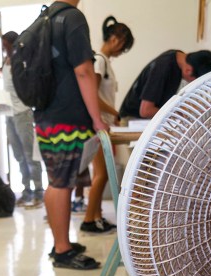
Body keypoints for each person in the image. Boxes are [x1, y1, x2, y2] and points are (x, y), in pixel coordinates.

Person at [34, 0, 106, 270]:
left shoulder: (45, 18)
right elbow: (84, 71)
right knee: (62, 183)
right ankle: (63, 250)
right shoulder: (72, 18)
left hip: (45, 116)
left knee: (55, 181)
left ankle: (59, 243)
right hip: (68, 118)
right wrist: (97, 118)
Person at [80, 16, 134, 235]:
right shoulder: (99, 60)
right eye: (123, 46)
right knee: (101, 174)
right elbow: (92, 94)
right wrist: (114, 112)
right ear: (115, 39)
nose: (122, 51)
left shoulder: (104, 62)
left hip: (104, 125)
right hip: (97, 125)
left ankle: (97, 216)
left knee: (101, 174)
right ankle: (89, 220)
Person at [0, 31, 44, 208]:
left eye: (6, 45)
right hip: (9, 114)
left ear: (14, 44)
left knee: (30, 155)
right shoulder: (6, 61)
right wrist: (0, 69)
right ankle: (27, 192)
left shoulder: (22, 61)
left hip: (23, 113)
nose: (4, 49)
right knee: (19, 156)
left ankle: (39, 193)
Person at [119, 49, 211, 119]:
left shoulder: (179, 57)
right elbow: (146, 111)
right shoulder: (163, 68)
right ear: (188, 70)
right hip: (133, 121)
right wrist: (181, 113)